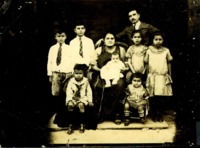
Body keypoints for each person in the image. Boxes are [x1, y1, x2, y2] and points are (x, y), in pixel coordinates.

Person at [91, 32, 127, 124]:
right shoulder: (99, 50)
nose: (110, 40)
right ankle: (101, 114)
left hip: (117, 74)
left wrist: (121, 69)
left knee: (118, 86)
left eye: (112, 38)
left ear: (115, 40)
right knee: (98, 86)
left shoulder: (121, 49)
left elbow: (125, 63)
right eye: (108, 38)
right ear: (104, 40)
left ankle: (116, 114)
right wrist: (102, 70)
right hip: (102, 73)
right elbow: (93, 65)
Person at [144, 31, 173, 122]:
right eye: (156, 39)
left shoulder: (166, 51)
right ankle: (154, 114)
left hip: (162, 76)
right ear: (153, 40)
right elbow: (147, 64)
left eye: (160, 39)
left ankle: (160, 114)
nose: (158, 41)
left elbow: (168, 63)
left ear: (163, 40)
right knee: (153, 96)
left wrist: (169, 75)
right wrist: (148, 76)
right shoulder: (149, 50)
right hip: (152, 76)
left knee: (161, 96)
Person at [65, 64, 94, 134]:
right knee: (70, 105)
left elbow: (89, 91)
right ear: (73, 73)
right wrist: (69, 99)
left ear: (83, 73)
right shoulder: (71, 81)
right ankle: (71, 124)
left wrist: (90, 101)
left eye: (80, 73)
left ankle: (82, 124)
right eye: (76, 73)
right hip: (73, 97)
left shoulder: (86, 81)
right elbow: (68, 91)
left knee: (81, 105)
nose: (78, 75)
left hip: (82, 98)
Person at [47, 28, 74, 97]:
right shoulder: (52, 48)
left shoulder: (69, 48)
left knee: (67, 92)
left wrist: (72, 72)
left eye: (62, 36)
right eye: (58, 36)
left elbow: (73, 61)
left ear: (66, 37)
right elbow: (50, 61)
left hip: (67, 73)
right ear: (55, 37)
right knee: (56, 92)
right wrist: (50, 74)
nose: (61, 38)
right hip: (56, 73)